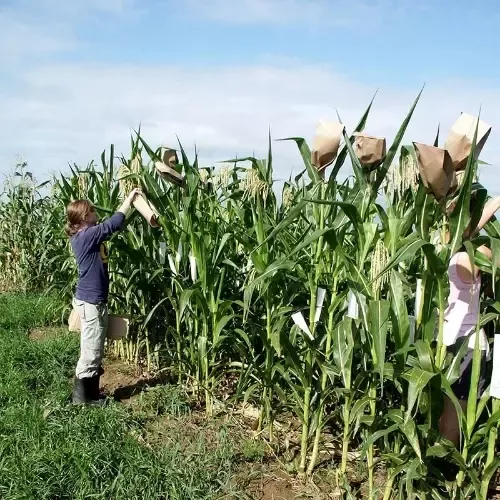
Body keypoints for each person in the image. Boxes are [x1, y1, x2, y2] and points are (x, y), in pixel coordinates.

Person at [65, 188, 142, 405]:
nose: (95, 211)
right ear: (84, 217)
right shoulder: (86, 236)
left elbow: (110, 226)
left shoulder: (86, 235)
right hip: (91, 302)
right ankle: (82, 400)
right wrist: (129, 200)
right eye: (91, 210)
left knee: (94, 347)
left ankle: (91, 394)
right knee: (90, 350)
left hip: (92, 300)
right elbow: (113, 224)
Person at [439, 194, 500, 447]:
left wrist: (493, 203)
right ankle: (444, 472)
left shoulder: (462, 253)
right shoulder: (459, 254)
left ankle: (445, 470)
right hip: (458, 345)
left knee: (451, 416)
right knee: (450, 416)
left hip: (458, 344)